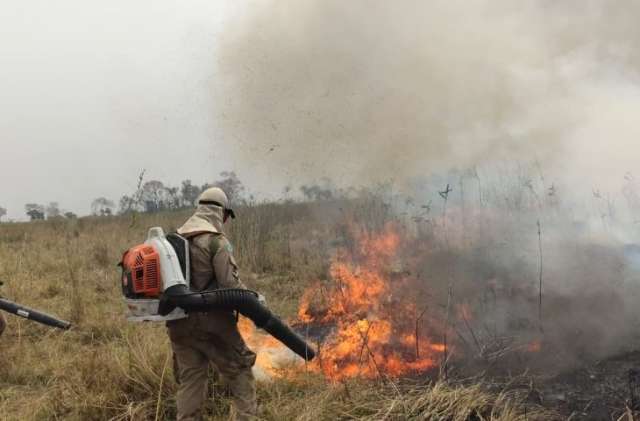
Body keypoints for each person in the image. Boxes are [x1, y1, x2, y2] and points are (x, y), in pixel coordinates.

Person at [167, 187, 258, 421]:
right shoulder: (217, 242)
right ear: (221, 213)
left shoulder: (174, 241)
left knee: (191, 379)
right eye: (226, 216)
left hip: (178, 323)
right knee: (240, 369)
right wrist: (253, 300)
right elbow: (231, 286)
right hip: (213, 322)